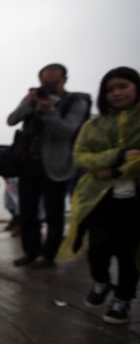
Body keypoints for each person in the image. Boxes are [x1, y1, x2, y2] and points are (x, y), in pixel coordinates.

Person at [57, 67, 140, 325]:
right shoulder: (93, 124)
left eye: (123, 86)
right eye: (110, 89)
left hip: (135, 198)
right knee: (98, 247)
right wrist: (119, 157)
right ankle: (101, 280)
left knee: (130, 251)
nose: (116, 93)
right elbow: (81, 156)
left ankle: (123, 298)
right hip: (99, 197)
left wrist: (110, 170)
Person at [7, 63, 92, 268]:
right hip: (28, 165)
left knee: (54, 212)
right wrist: (30, 102)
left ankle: (49, 255)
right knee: (27, 211)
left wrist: (50, 110)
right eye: (44, 82)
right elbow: (11, 120)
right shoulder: (33, 98)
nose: (48, 86)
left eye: (54, 81)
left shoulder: (76, 101)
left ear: (64, 80)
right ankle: (31, 252)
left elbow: (67, 131)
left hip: (57, 166)